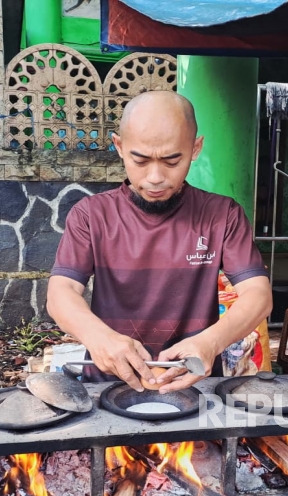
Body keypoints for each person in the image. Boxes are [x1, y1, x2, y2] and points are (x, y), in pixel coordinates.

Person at [46, 91, 272, 393]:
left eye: (172, 160)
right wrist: (98, 337)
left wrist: (210, 342)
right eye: (140, 160)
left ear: (195, 148)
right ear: (119, 146)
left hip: (194, 381)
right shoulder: (91, 215)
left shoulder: (222, 215)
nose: (155, 177)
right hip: (108, 384)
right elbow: (61, 292)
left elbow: (258, 294)